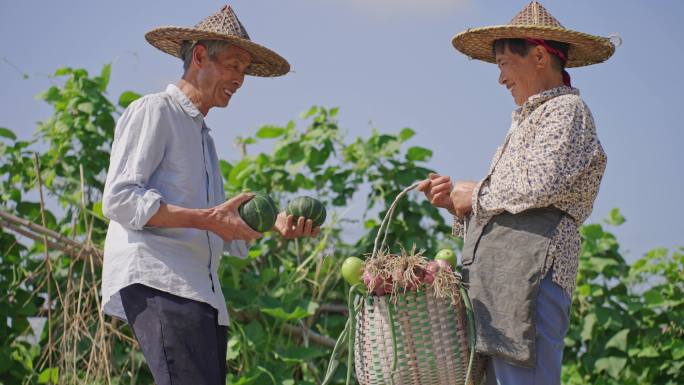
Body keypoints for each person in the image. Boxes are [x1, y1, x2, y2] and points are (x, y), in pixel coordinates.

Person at [100, 5, 318, 385]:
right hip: (161, 282)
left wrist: (272, 226)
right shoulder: (156, 110)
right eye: (233, 65)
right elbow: (119, 198)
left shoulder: (204, 140)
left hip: (200, 292)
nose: (240, 78)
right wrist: (206, 218)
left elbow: (220, 228)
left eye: (244, 70)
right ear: (199, 56)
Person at [419, 1, 617, 384]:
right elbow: (513, 200)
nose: (501, 79)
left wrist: (473, 194)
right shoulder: (529, 118)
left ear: (539, 56)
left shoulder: (566, 111)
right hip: (503, 279)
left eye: (504, 65)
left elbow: (538, 184)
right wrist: (456, 204)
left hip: (531, 276)